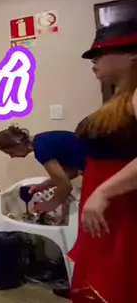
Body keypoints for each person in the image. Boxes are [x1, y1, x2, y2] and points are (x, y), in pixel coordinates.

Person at [69, 19, 137, 303]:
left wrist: (103, 192)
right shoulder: (121, 98)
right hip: (110, 216)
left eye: (100, 54)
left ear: (131, 55)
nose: (93, 62)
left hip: (124, 213)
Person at [0, 126, 86, 214]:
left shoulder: (41, 149)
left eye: (11, 152)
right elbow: (71, 173)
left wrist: (51, 204)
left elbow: (66, 185)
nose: (12, 156)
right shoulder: (41, 140)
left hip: (94, 166)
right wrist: (44, 185)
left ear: (18, 144)